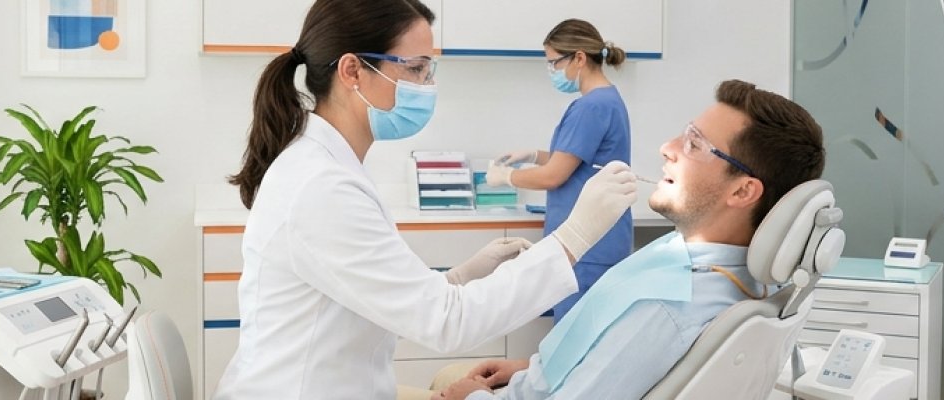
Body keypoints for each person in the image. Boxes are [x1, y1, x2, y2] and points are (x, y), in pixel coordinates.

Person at [217, 1, 640, 398]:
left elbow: (392, 297)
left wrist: (462, 276)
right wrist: (573, 239)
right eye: (417, 68)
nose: (428, 85)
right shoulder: (322, 187)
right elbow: (446, 323)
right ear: (352, 71)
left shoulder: (331, 167)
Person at [433, 80, 827, 400]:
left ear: (742, 191)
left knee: (439, 380)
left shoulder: (668, 307)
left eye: (694, 144)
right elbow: (618, 363)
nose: (667, 147)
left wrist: (470, 397)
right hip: (537, 381)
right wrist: (537, 369)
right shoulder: (711, 267)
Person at [485, 19, 635, 320]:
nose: (552, 70)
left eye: (554, 62)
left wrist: (506, 177)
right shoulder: (607, 100)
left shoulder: (591, 107)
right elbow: (578, 160)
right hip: (600, 243)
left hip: (587, 249)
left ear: (579, 57)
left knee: (574, 338)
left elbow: (554, 176)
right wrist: (535, 155)